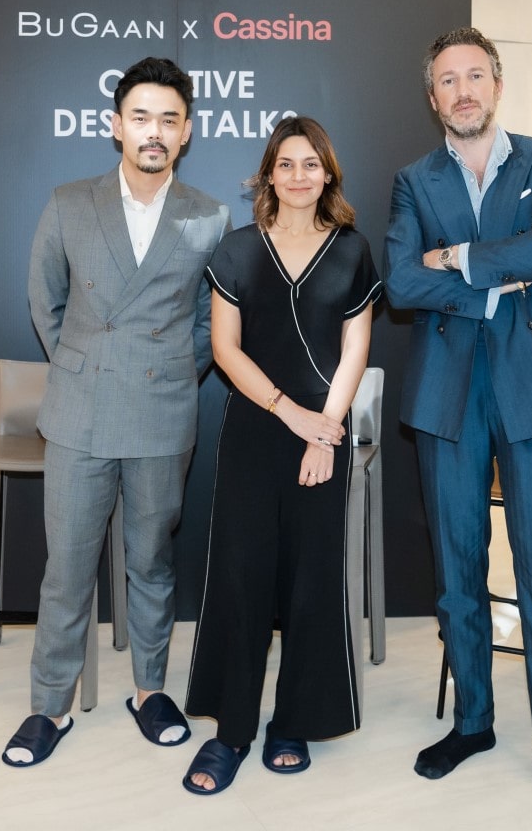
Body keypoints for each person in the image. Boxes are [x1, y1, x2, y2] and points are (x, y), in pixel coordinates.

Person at [383, 27, 532, 829]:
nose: (464, 90)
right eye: (448, 80)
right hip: (448, 392)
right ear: (433, 97)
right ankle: (473, 722)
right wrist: (502, 270)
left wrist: (458, 258)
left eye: (475, 75)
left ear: (497, 85)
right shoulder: (414, 181)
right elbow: (400, 281)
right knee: (458, 572)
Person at [7, 56, 231, 767]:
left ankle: (149, 690)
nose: (153, 131)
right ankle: (49, 705)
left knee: (153, 562)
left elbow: (210, 320)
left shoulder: (209, 215)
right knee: (67, 567)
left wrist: (169, 369)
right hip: (79, 411)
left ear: (186, 131)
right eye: (141, 118)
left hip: (163, 409)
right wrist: (82, 363)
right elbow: (45, 300)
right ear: (116, 127)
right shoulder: (69, 203)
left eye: (168, 119)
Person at [182, 116, 380, 795]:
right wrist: (289, 413)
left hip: (324, 434)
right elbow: (225, 349)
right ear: (269, 174)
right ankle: (231, 730)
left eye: (311, 164)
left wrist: (325, 430)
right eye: (287, 164)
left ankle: (294, 721)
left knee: (311, 580)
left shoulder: (352, 251)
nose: (299, 176)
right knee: (241, 579)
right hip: (254, 430)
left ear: (328, 175)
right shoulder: (237, 250)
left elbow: (356, 348)